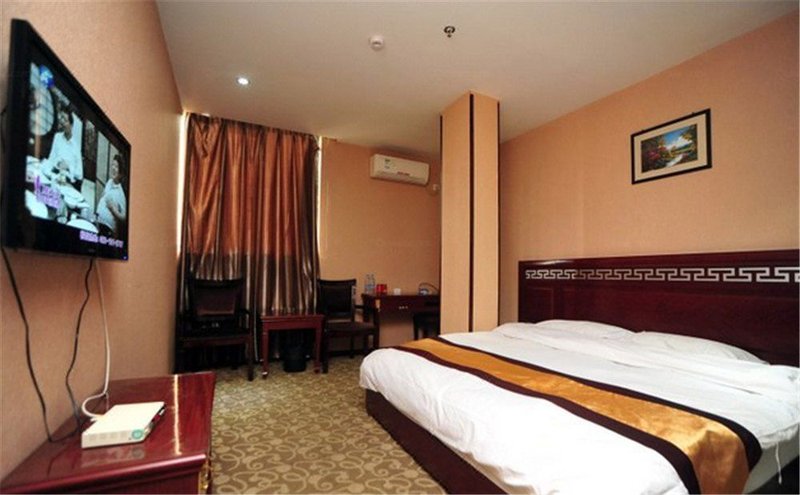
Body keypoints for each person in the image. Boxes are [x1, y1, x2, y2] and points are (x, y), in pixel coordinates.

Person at [45, 106, 83, 189]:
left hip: (68, 182)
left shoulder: (76, 146)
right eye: (62, 120)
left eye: (65, 120)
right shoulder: (57, 137)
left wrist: (68, 166)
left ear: (71, 125)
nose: (62, 123)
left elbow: (80, 174)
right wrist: (57, 163)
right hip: (55, 175)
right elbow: (51, 158)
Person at [97, 154, 127, 237]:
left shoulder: (120, 193)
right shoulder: (109, 182)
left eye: (116, 166)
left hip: (108, 230)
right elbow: (104, 195)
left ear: (121, 173)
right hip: (99, 223)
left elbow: (124, 218)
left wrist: (113, 209)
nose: (113, 168)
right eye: (113, 165)